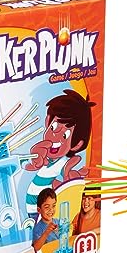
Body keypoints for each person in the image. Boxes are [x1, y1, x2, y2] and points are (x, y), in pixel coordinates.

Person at [25, 89, 96, 218]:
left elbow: (68, 180)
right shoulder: (46, 155)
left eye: (65, 135)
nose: (55, 136)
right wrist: (35, 159)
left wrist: (73, 174)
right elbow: (29, 165)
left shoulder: (63, 162)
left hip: (43, 212)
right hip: (35, 209)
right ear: (48, 122)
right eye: (53, 127)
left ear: (77, 144)